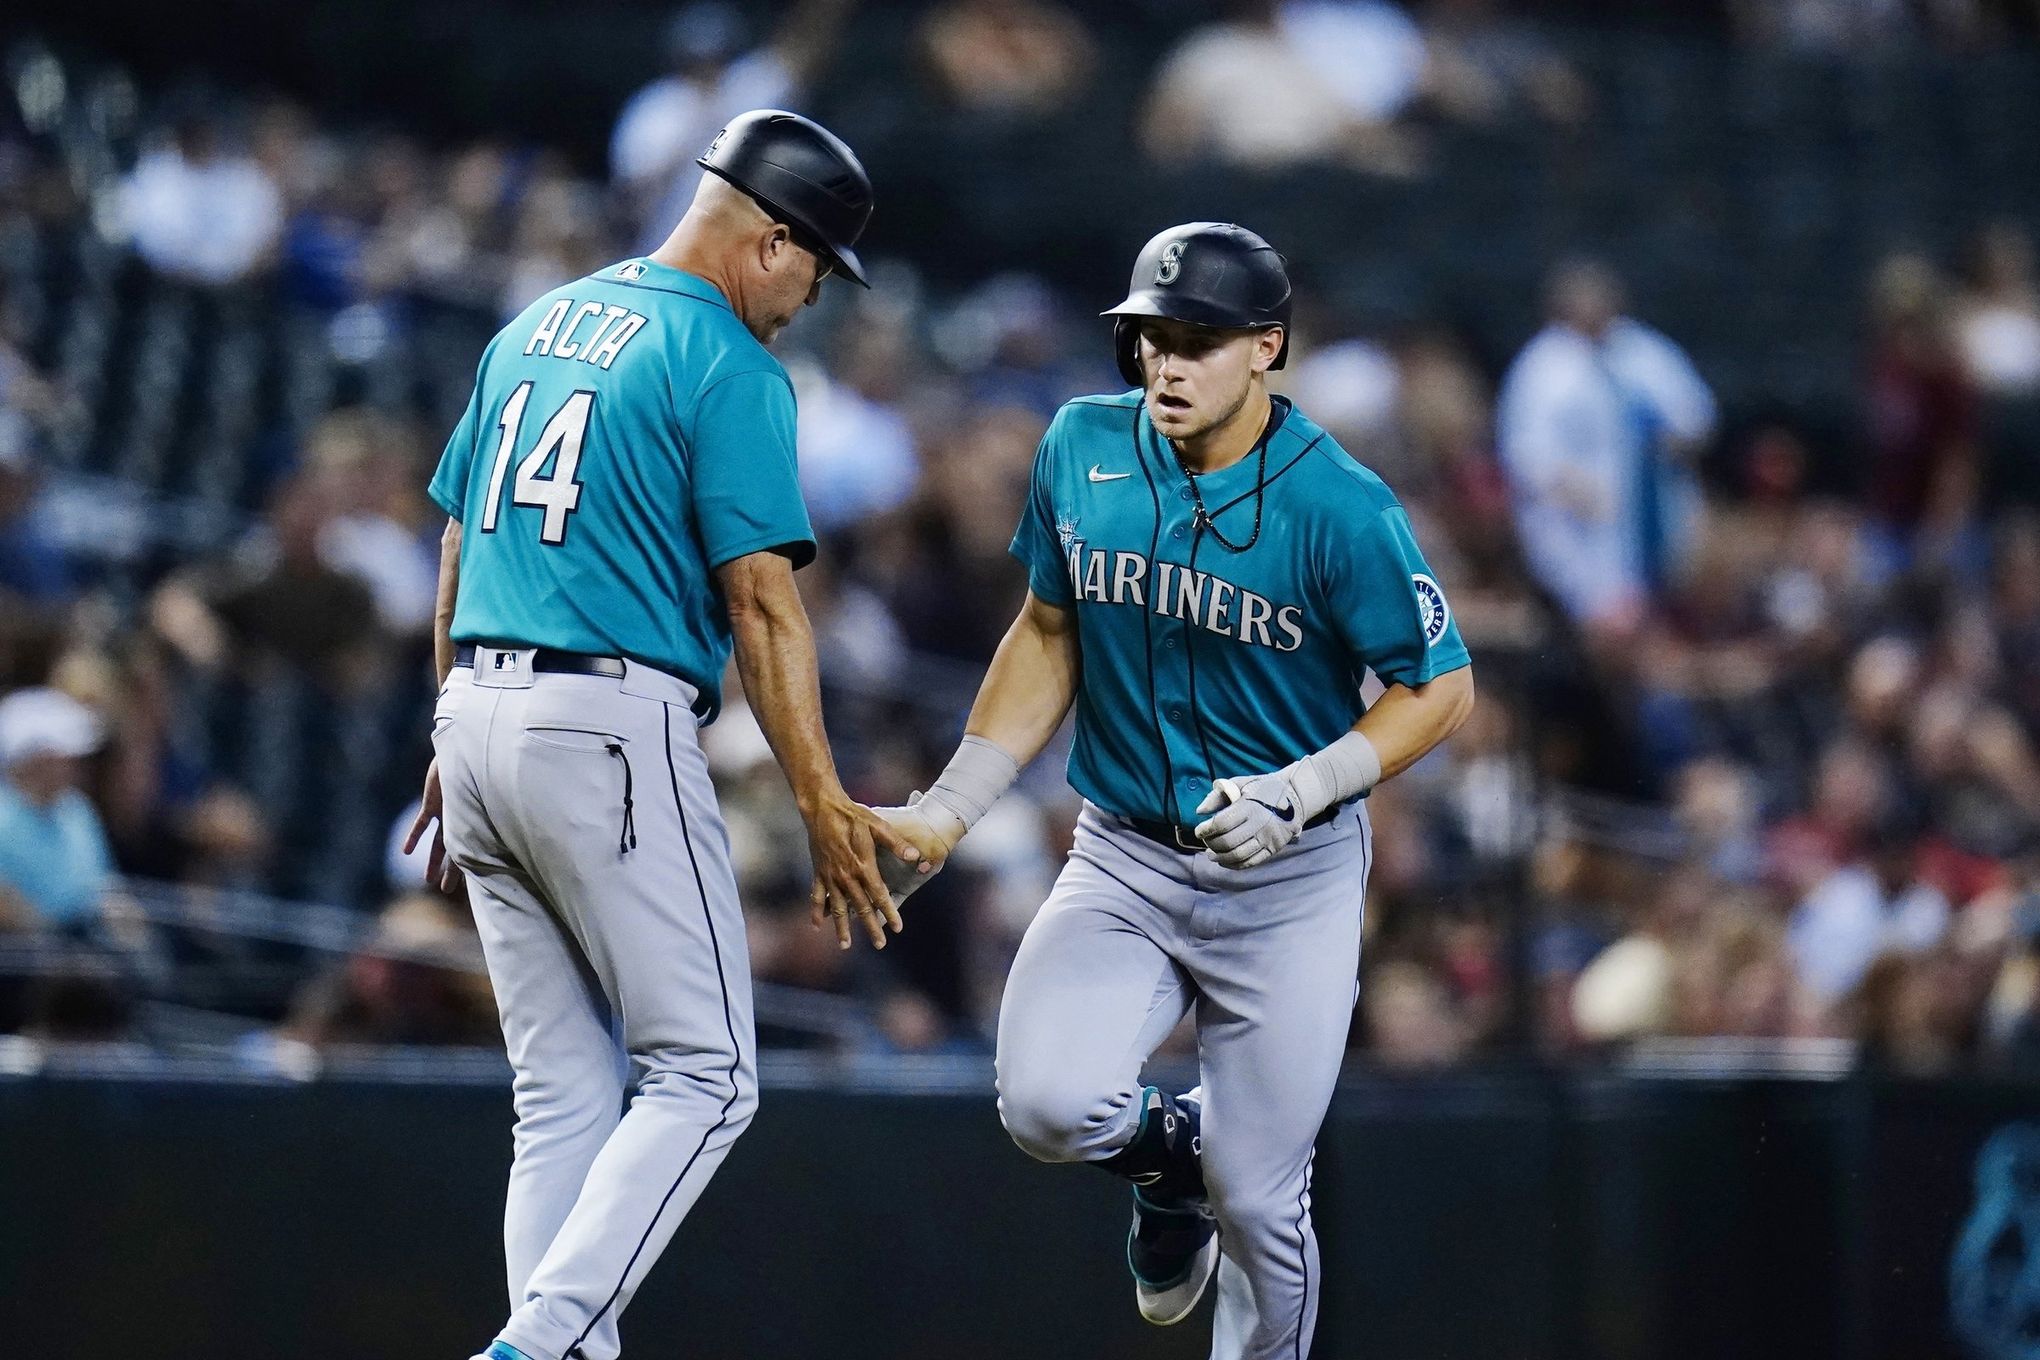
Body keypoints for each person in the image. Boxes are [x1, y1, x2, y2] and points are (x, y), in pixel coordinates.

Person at [875, 223, 1475, 1358]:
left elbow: (1438, 687)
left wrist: (1304, 789)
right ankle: (1172, 1162)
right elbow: (1048, 630)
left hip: (1287, 872)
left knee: (1261, 1202)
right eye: (1149, 337)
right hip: (1127, 851)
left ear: (1268, 348)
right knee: (1046, 1103)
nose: (1167, 363)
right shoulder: (1079, 445)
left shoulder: (1341, 504)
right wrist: (955, 801)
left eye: (1198, 340)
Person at [404, 110, 937, 1360]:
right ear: (768, 237)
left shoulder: (535, 322)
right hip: (607, 722)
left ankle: (554, 1348)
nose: (814, 293)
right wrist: (822, 805)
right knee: (708, 1076)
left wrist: (446, 716)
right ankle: (536, 1347)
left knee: (563, 1091)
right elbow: (761, 602)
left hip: (476, 708)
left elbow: (455, 546)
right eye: (815, 263)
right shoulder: (728, 363)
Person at [1496, 258, 1717, 636]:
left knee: (1670, 616)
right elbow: (1526, 455)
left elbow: (1696, 417)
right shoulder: (1543, 367)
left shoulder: (1641, 350)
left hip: (1656, 506)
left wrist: (1671, 442)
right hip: (1582, 526)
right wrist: (1573, 488)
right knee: (1607, 625)